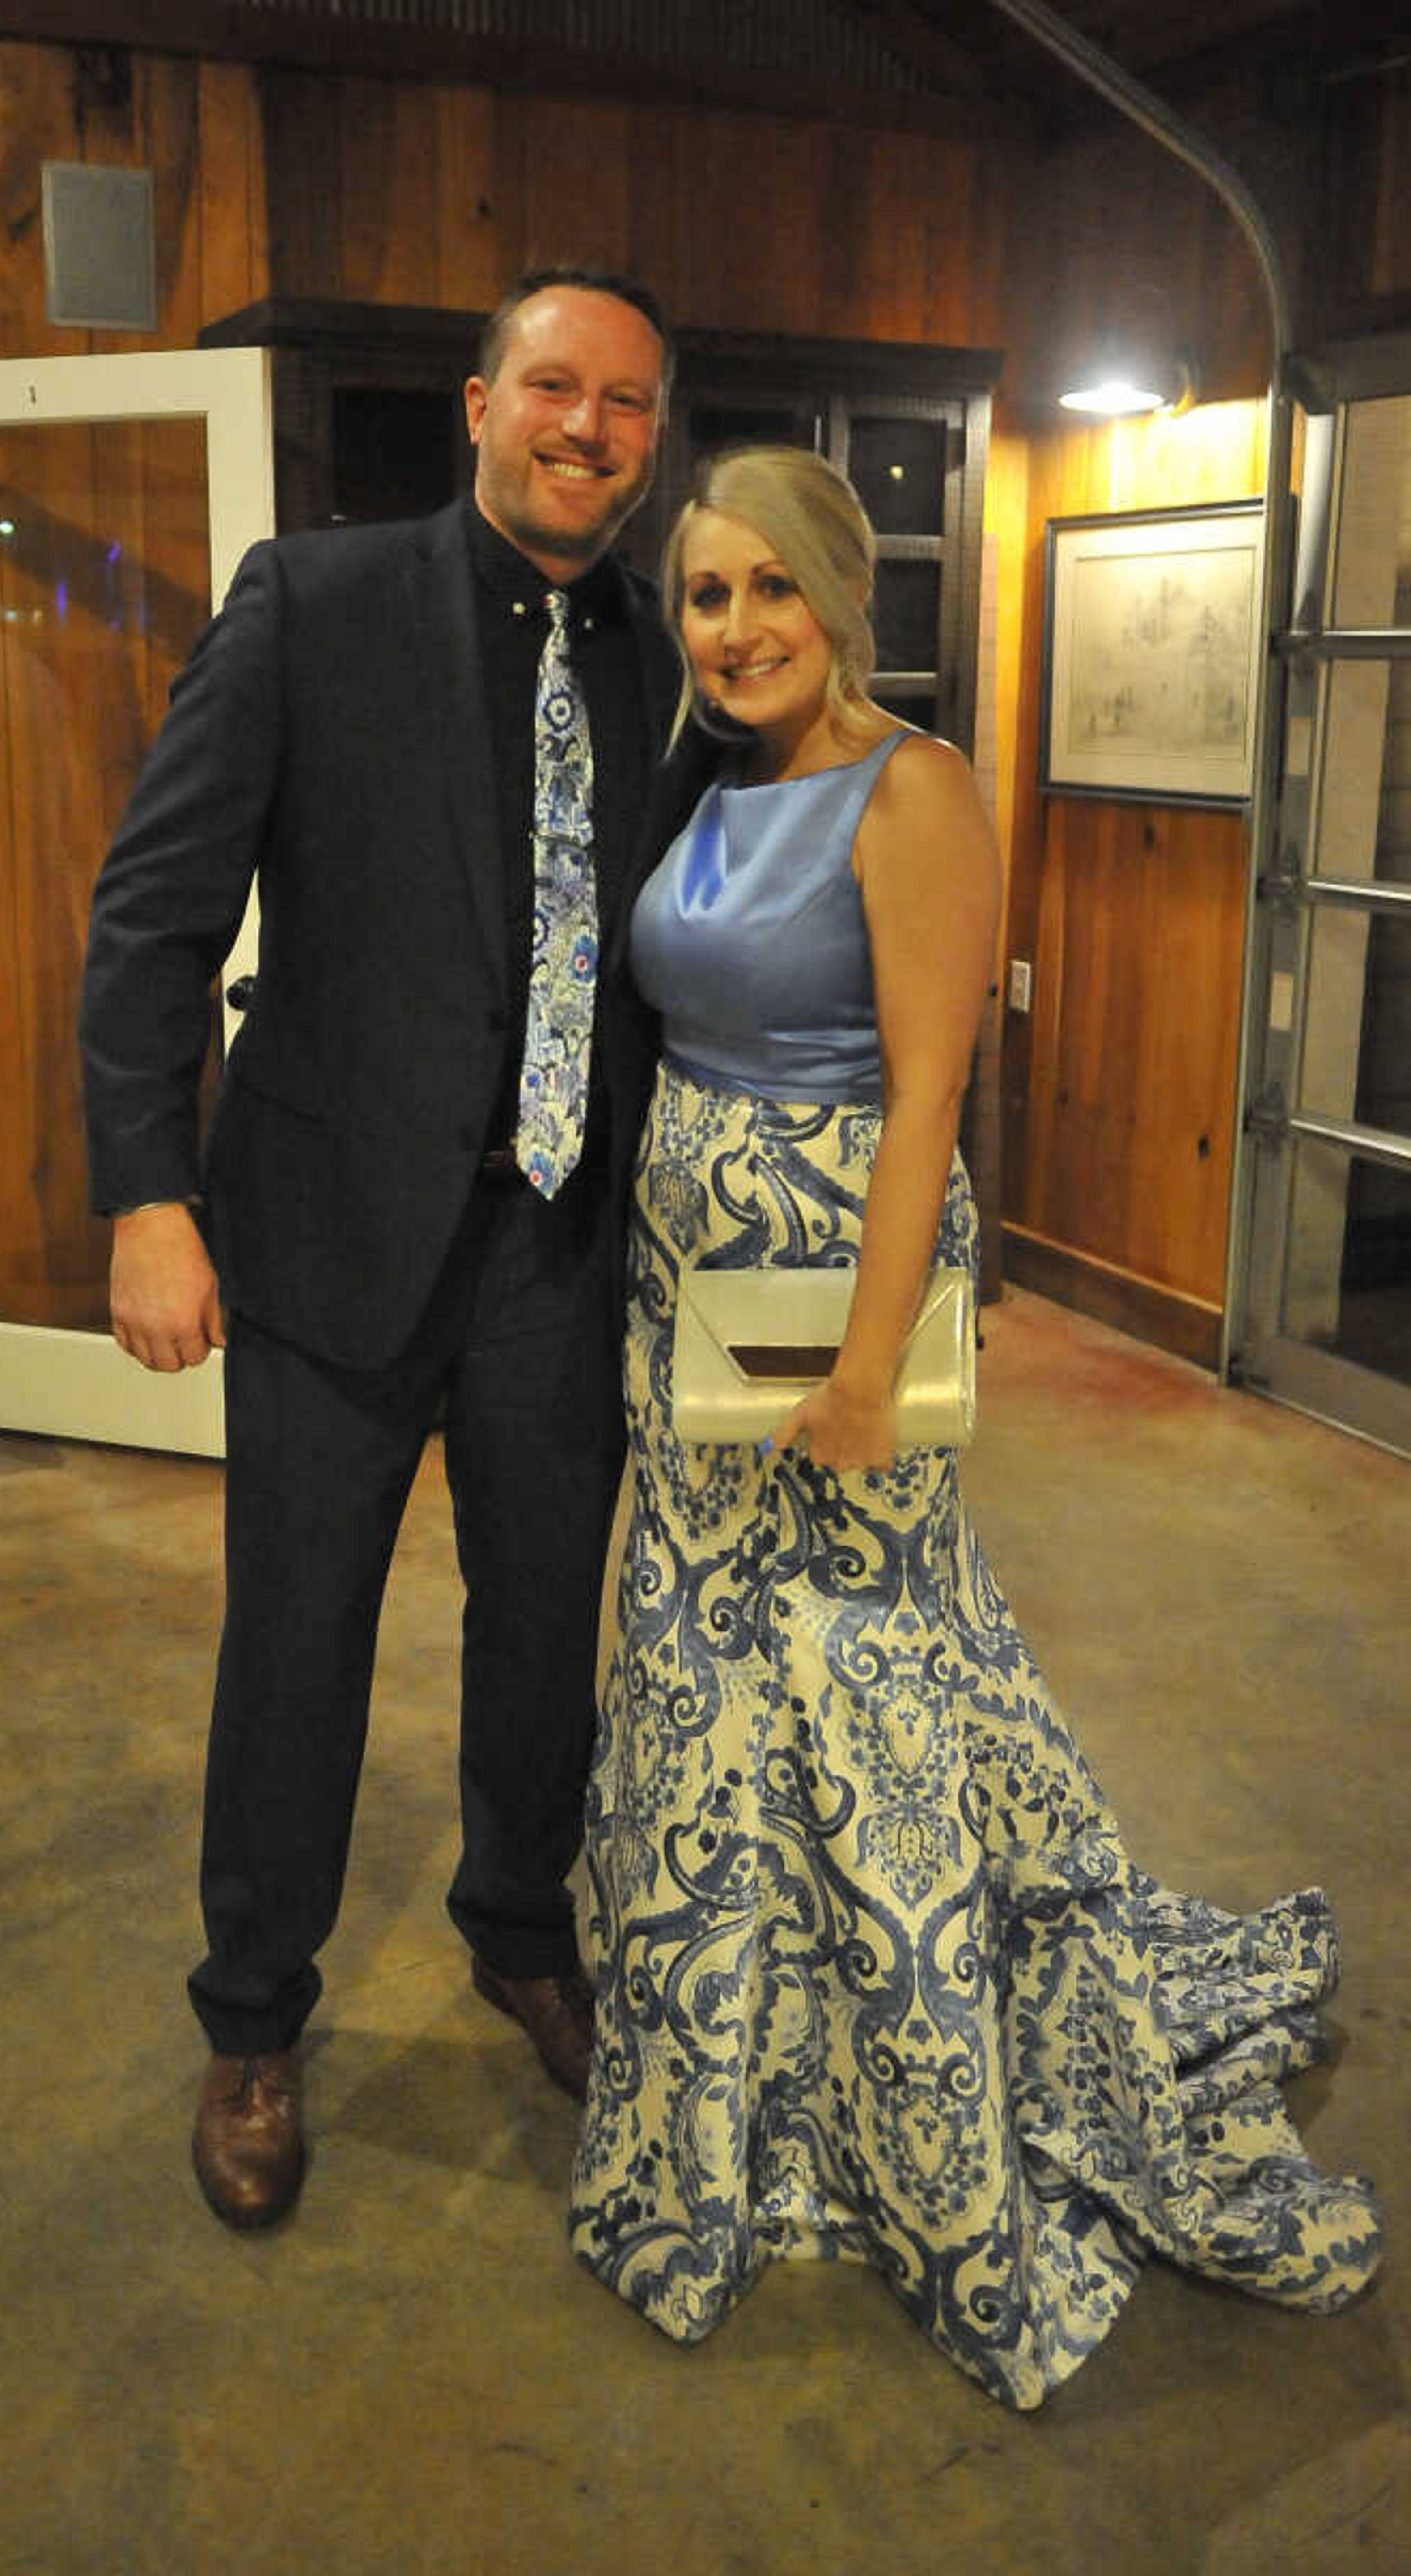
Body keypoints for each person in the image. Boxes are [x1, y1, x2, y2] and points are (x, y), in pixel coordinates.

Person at [568, 445, 1382, 2409]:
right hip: (690, 1309)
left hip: (834, 1306)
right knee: (702, 1686)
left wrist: (867, 1368)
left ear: (844, 599)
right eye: (704, 595)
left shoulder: (909, 790)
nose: (737, 628)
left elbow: (929, 1100)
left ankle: (915, 2102)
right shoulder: (715, 779)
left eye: (773, 590)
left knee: (862, 1689)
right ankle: (731, 2107)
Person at [80, 267, 685, 2232]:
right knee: (298, 1647)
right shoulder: (311, 603)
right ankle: (253, 2014)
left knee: (538, 1639)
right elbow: (152, 916)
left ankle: (521, 1924)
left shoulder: (678, 653)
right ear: (481, 403)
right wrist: (147, 1191)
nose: (588, 427)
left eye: (627, 405)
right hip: (330, 1237)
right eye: (555, 388)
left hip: (559, 1250)